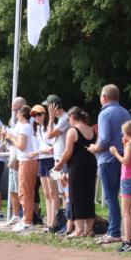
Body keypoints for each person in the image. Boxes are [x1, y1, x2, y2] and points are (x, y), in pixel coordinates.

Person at [88, 84, 131, 244]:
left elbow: (105, 138)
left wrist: (95, 148)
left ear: (104, 97)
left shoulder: (105, 113)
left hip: (108, 158)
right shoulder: (125, 112)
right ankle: (128, 231)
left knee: (111, 197)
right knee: (125, 196)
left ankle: (114, 231)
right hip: (124, 156)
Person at [54, 107, 97, 238]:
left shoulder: (72, 131)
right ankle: (89, 229)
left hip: (77, 166)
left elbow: (68, 152)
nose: (68, 121)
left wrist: (60, 164)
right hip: (90, 165)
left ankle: (79, 230)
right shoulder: (91, 129)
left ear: (73, 116)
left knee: (75, 196)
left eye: (68, 119)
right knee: (89, 196)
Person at [2, 105, 39, 232]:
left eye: (17, 113)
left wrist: (11, 136)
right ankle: (26, 219)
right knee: (25, 191)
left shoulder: (25, 127)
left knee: (25, 192)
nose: (16, 115)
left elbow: (22, 146)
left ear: (21, 114)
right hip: (25, 160)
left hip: (27, 161)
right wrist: (8, 137)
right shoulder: (26, 127)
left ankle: (27, 221)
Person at [110, 120, 131, 252]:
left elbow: (126, 161)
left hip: (128, 179)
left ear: (127, 132)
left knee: (126, 212)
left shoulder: (130, 144)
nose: (121, 133)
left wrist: (115, 153)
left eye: (123, 131)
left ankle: (127, 241)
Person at [44, 95, 71, 233]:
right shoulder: (60, 119)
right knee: (59, 191)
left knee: (65, 191)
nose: (47, 109)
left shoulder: (65, 118)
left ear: (53, 106)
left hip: (62, 160)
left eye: (48, 106)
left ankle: (68, 223)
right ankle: (58, 221)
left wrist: (50, 117)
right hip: (56, 159)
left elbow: (50, 134)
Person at [30, 104, 60, 231]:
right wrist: (40, 152)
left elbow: (52, 146)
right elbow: (41, 147)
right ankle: (49, 222)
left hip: (52, 161)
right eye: (34, 115)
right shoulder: (38, 129)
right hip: (42, 161)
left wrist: (38, 152)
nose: (36, 117)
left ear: (44, 115)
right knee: (47, 193)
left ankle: (54, 222)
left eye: (38, 114)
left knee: (54, 193)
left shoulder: (50, 127)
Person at [5, 97, 27, 225]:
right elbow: (12, 141)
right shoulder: (13, 121)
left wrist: (11, 137)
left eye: (16, 109)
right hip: (13, 155)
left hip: (22, 157)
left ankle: (25, 215)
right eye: (12, 109)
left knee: (22, 189)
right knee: (13, 188)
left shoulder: (26, 123)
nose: (14, 112)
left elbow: (21, 142)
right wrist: (5, 137)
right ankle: (16, 215)